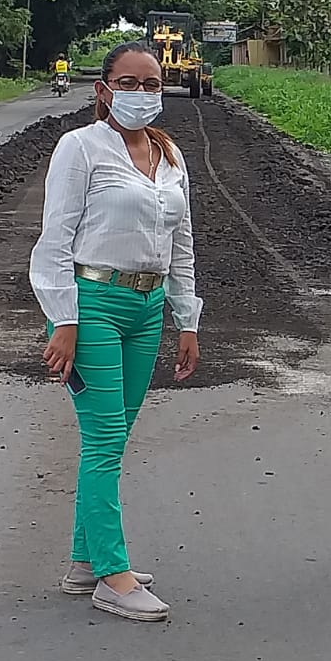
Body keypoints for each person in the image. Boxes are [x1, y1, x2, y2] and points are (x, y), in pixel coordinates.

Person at [29, 42, 202, 623]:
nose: (141, 93)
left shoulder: (170, 157)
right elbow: (55, 239)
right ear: (103, 90)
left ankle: (85, 561)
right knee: (104, 441)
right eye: (128, 83)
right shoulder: (80, 148)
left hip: (146, 307)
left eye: (151, 83)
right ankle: (112, 574)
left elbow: (181, 243)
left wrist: (186, 318)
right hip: (93, 304)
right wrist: (65, 320)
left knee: (114, 438)